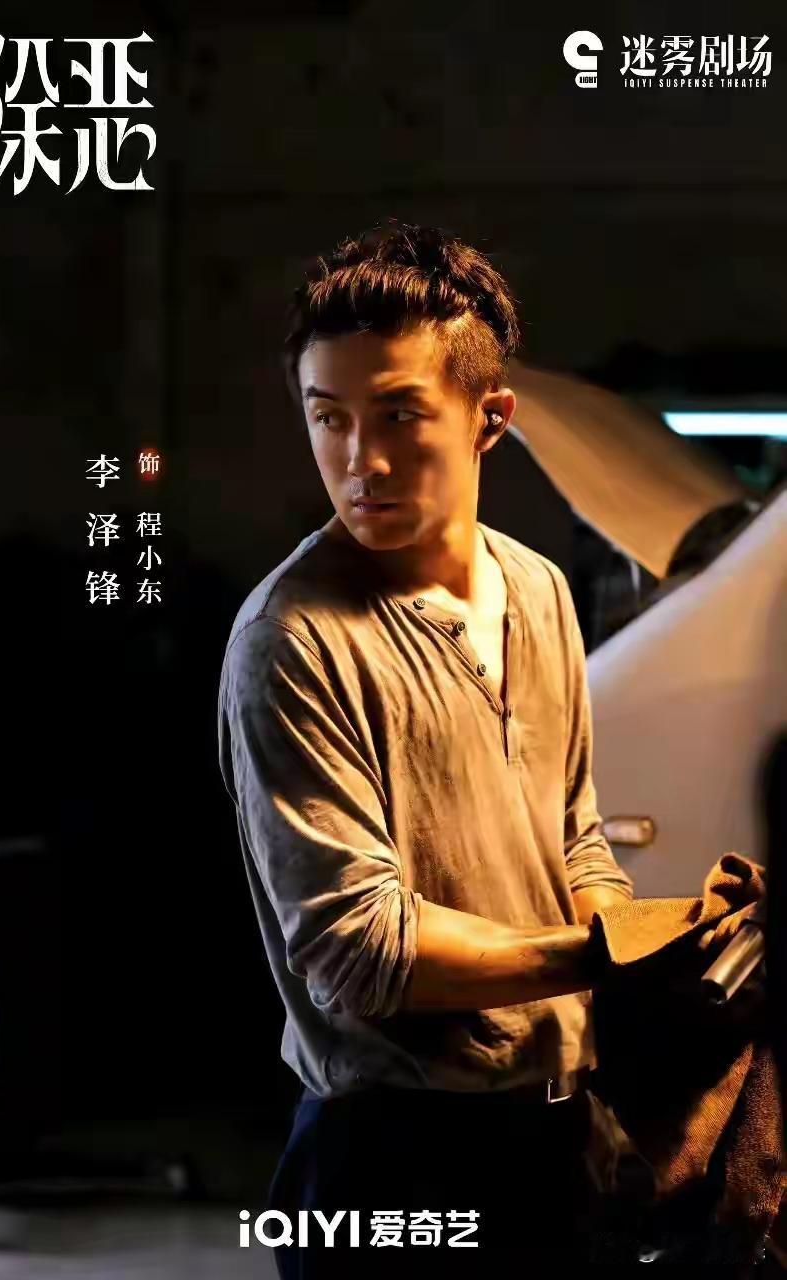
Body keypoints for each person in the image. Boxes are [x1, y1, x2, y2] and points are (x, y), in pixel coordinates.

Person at [217, 221, 635, 1275]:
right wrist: (604, 954)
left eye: (400, 414)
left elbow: (575, 836)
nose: (360, 460)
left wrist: (647, 937)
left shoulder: (538, 588)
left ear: (489, 419)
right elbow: (360, 952)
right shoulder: (293, 639)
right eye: (329, 417)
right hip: (389, 1161)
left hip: (560, 1139)